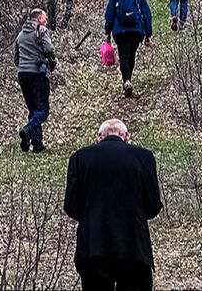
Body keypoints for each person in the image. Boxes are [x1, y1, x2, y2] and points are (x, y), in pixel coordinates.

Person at [64, 119, 163, 291]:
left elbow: (71, 206)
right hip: (134, 246)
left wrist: (90, 218)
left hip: (93, 245)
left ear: (99, 137)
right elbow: (153, 206)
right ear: (126, 137)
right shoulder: (144, 157)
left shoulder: (79, 158)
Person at [14, 8, 56, 153]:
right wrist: (51, 62)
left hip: (22, 74)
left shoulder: (20, 35)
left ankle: (37, 144)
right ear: (38, 19)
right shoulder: (41, 31)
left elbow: (16, 59)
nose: (46, 21)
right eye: (44, 18)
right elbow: (49, 49)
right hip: (38, 73)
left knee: (33, 109)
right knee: (42, 109)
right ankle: (28, 130)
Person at [105, 0, 153, 97]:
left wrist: (108, 32)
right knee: (131, 55)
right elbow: (147, 16)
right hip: (136, 32)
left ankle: (126, 80)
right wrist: (148, 34)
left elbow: (109, 15)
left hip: (120, 31)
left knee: (124, 56)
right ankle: (128, 80)